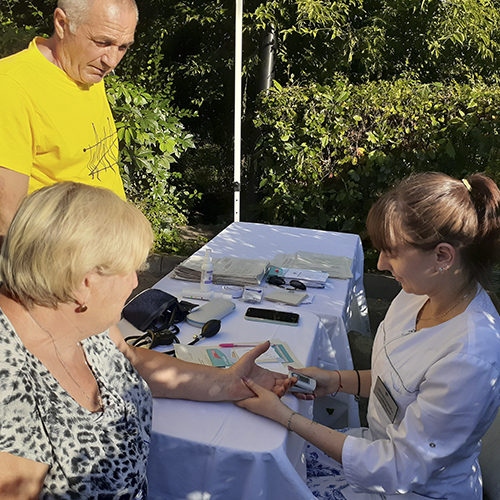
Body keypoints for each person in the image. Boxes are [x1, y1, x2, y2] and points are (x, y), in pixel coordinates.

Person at [0, 182, 287, 499]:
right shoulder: (9, 384)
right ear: (84, 284)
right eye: (130, 270)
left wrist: (229, 382)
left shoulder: (79, 318)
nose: (136, 283)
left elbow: (130, 360)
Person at [237, 172, 500, 500]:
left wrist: (285, 417)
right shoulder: (418, 295)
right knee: (268, 468)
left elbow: (399, 469)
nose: (382, 263)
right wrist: (333, 381)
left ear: (442, 257)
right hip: (377, 450)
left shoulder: (469, 357)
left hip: (411, 488)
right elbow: (399, 383)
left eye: (392, 252)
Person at [0, 0, 138, 240]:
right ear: (62, 24)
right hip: (58, 260)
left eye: (123, 47)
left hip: (111, 251)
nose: (112, 61)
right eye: (102, 42)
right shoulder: (12, 85)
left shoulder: (85, 71)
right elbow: (7, 220)